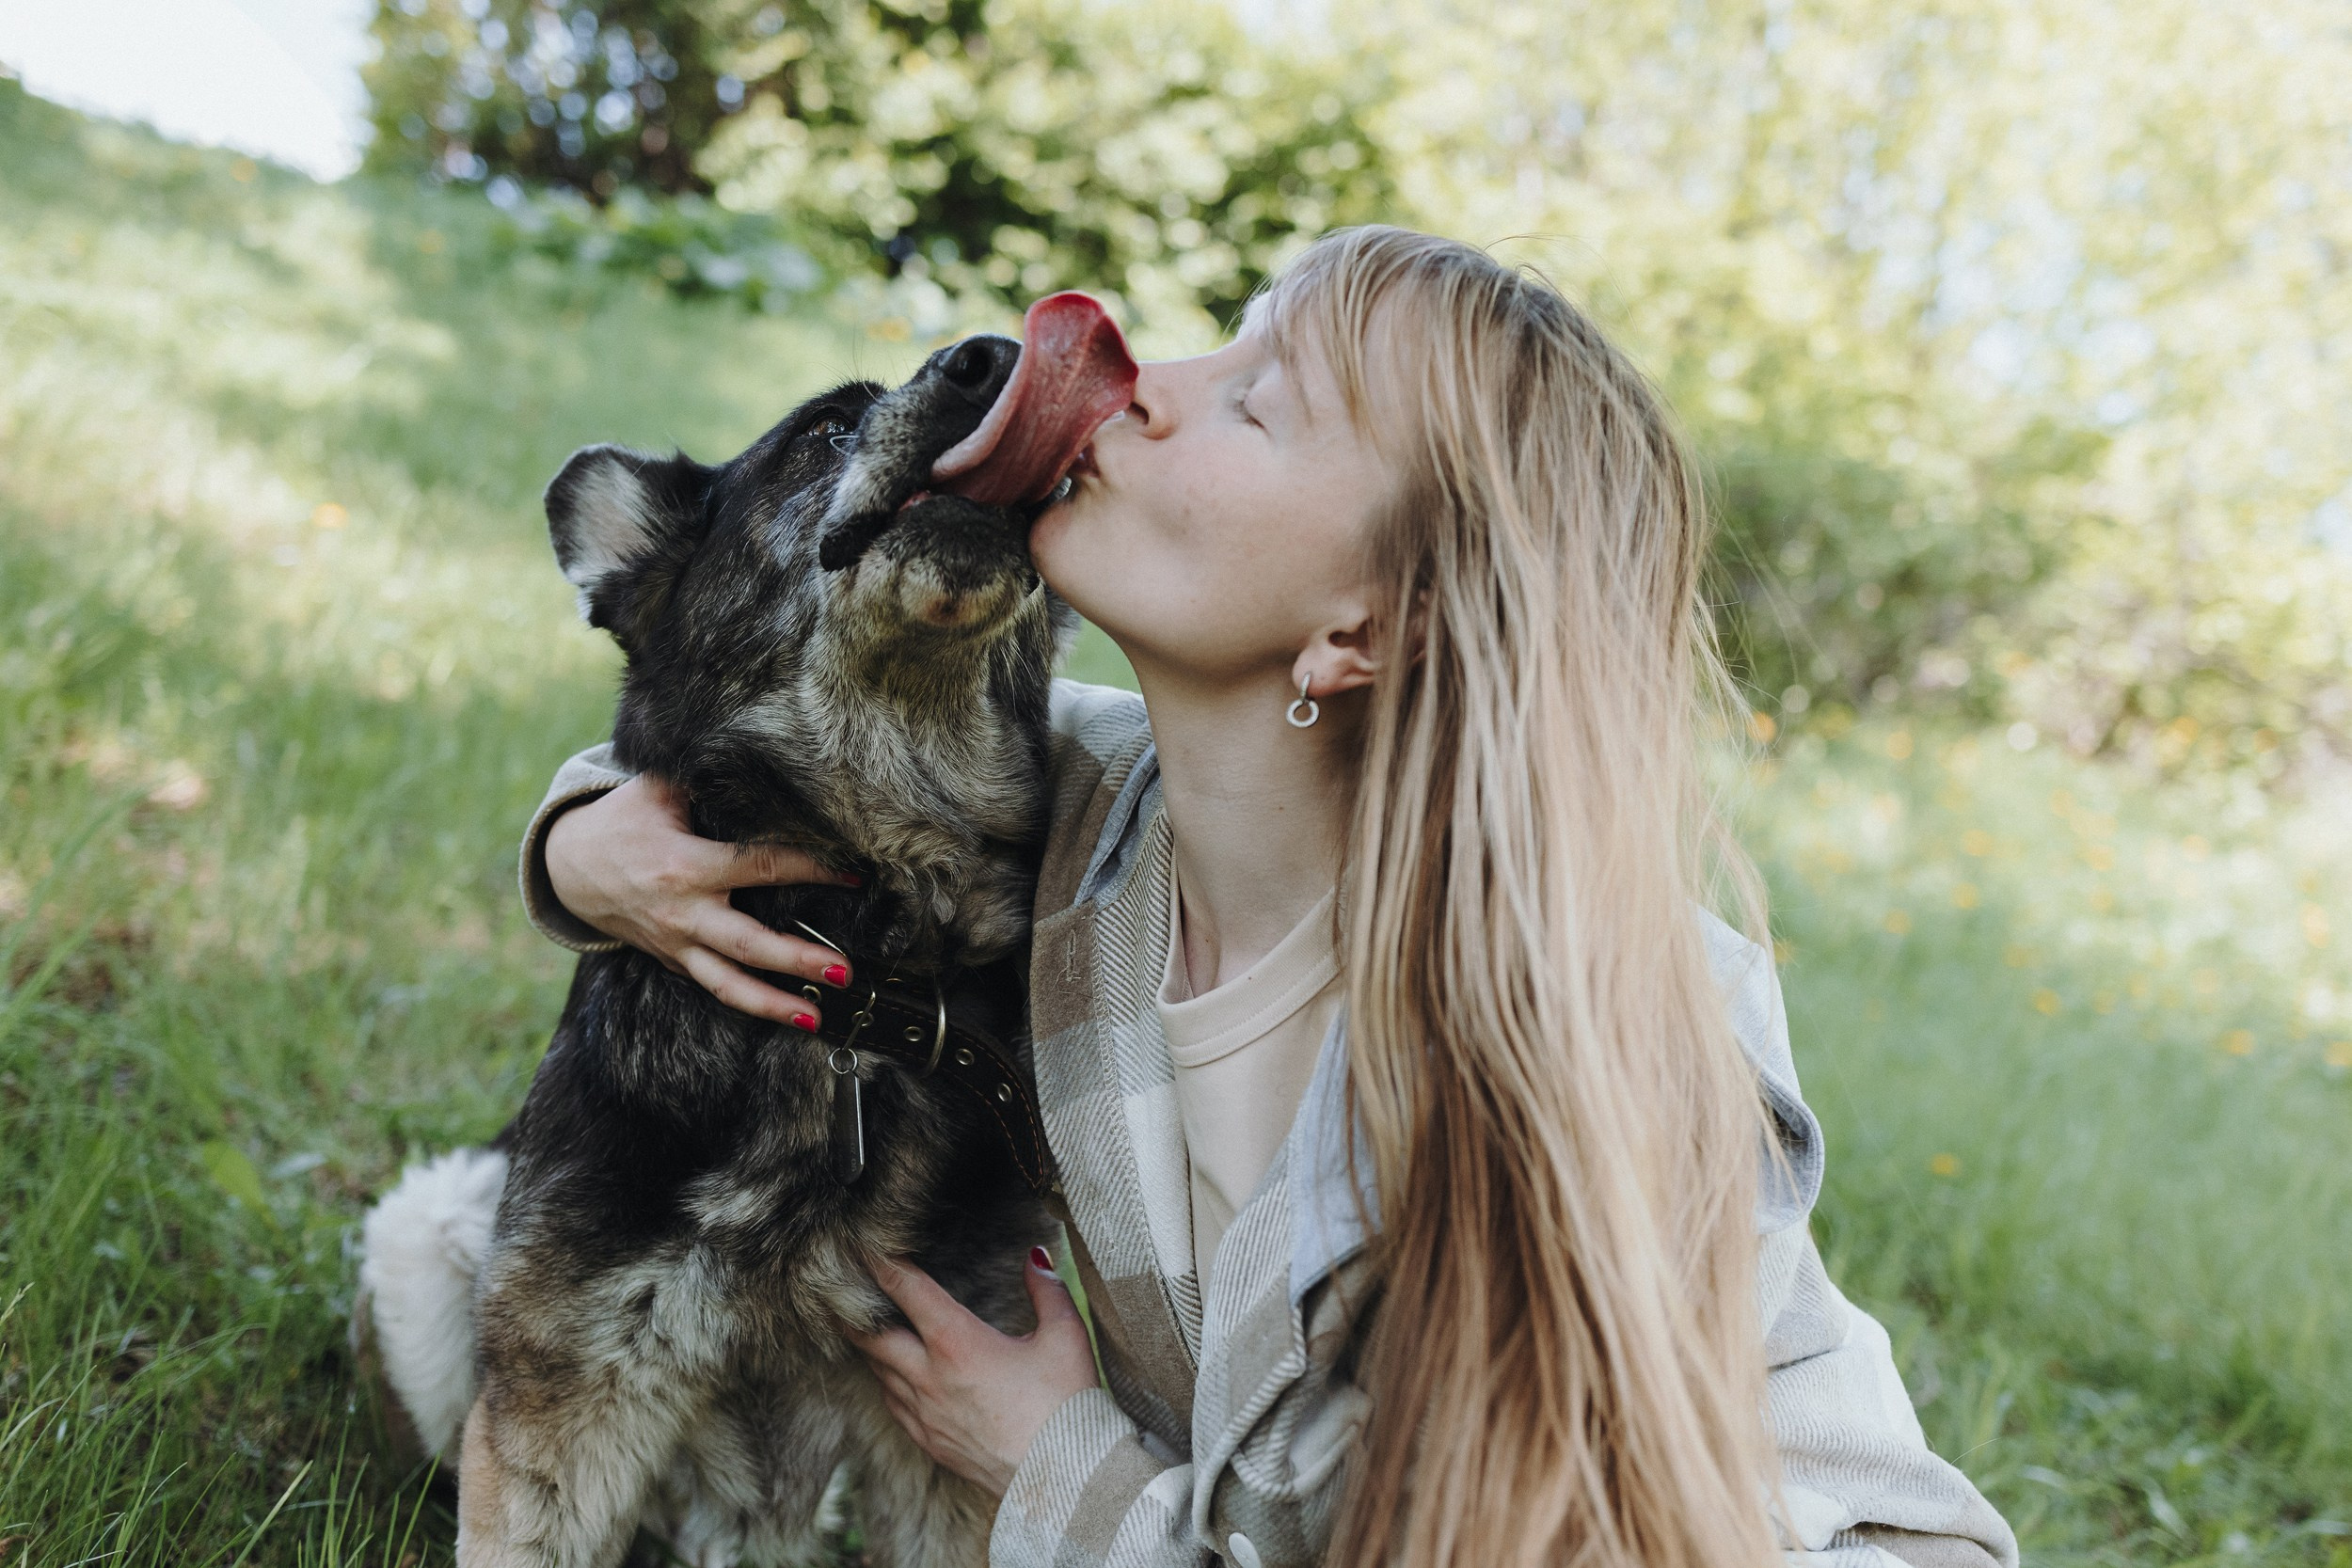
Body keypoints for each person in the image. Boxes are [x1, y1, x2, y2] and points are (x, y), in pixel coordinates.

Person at [518, 227, 2016, 1568]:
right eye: (1222, 336)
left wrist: (1065, 1474)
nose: (1141, 380)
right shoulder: (1088, 831)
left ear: (1367, 626)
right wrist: (586, 849)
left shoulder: (1587, 1050)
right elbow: (777, 749)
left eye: (1258, 399)